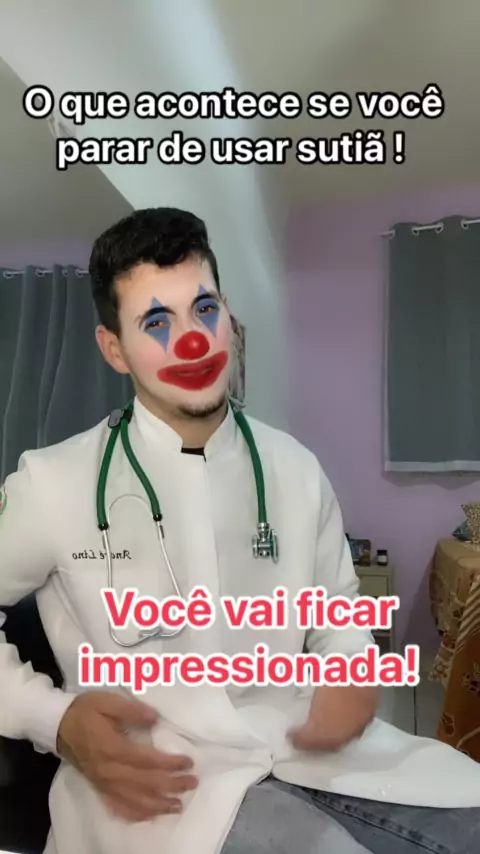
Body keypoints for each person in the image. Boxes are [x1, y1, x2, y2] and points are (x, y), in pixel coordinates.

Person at [0, 208, 479, 854]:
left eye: (204, 309)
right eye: (156, 323)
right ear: (113, 349)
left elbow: (338, 615)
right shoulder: (53, 482)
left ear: (227, 313)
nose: (192, 341)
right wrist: (52, 720)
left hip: (306, 751)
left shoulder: (293, 468)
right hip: (160, 784)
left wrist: (350, 669)